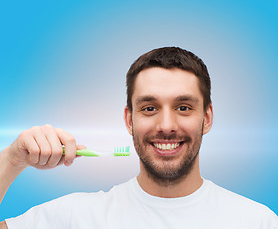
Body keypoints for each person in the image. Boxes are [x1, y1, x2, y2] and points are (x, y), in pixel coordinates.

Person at [0, 47, 277, 229]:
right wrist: (11, 161)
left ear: (206, 118)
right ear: (129, 120)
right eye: (149, 108)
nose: (166, 126)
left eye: (183, 107)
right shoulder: (76, 218)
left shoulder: (256, 221)